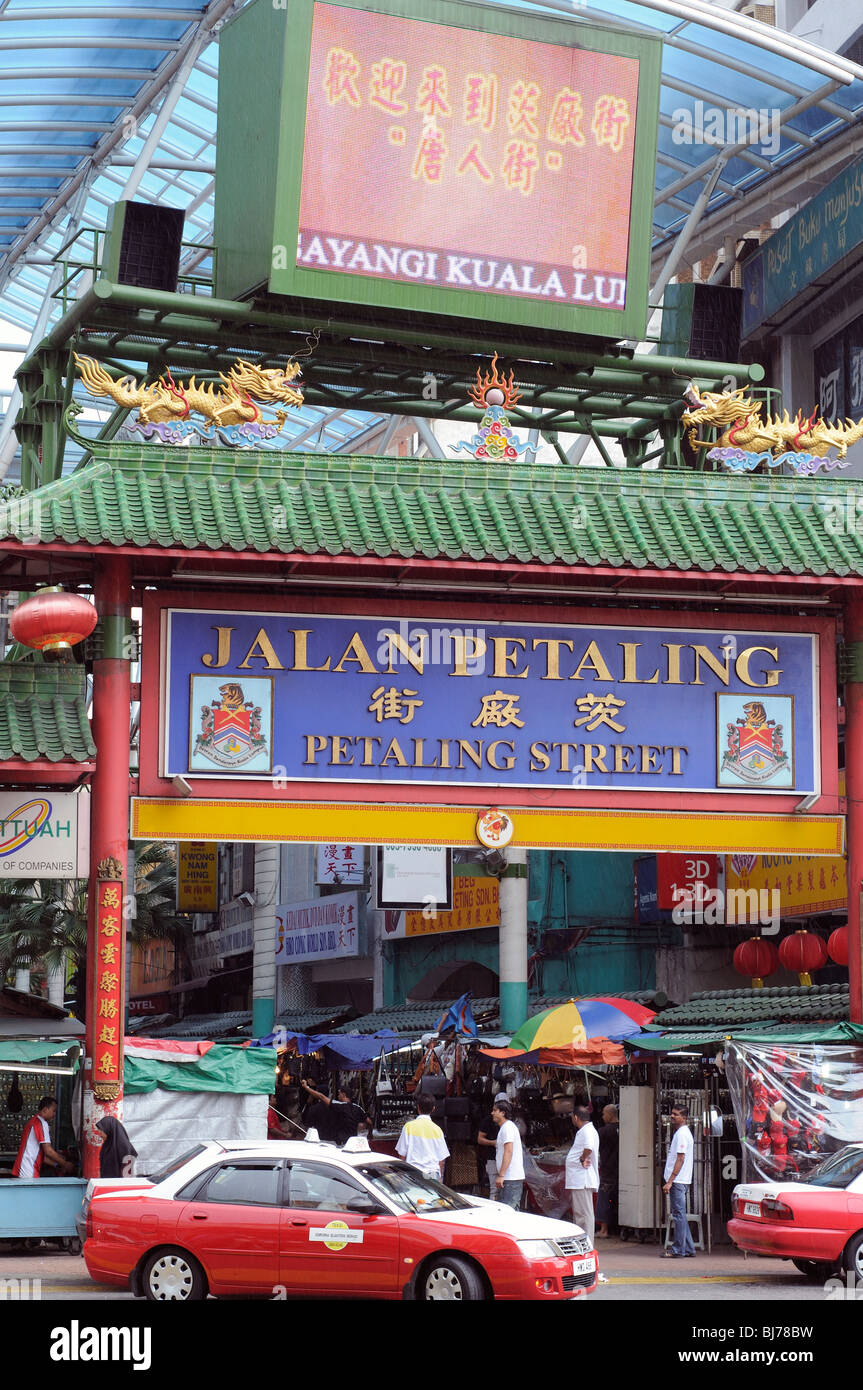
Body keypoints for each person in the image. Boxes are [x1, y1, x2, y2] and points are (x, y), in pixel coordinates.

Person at [663, 1103, 696, 1258]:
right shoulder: (682, 1133)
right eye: (672, 1113)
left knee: (679, 1215)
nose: (672, 1116)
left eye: (676, 1114)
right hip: (680, 1180)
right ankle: (688, 1248)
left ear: (684, 1117)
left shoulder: (682, 1134)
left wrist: (670, 1180)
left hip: (678, 1180)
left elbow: (680, 1158)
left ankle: (678, 1250)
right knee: (680, 1214)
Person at [13, 1096, 73, 1179]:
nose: (55, 1114)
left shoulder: (33, 1121)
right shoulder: (41, 1124)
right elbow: (48, 1151)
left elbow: (40, 1156)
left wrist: (57, 1164)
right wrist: (65, 1164)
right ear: (45, 1109)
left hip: (23, 1168)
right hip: (29, 1170)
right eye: (54, 1111)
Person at [565, 1105, 599, 1246]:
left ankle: (587, 1244)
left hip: (582, 1178)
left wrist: (582, 1158)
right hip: (578, 1179)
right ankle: (583, 1243)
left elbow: (588, 1147)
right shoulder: (586, 1131)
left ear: (576, 1117)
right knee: (580, 1214)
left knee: (584, 1214)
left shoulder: (587, 1131)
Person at [301, 1079, 371, 1145]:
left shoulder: (339, 1106)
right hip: (352, 1142)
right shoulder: (358, 1108)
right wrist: (370, 1134)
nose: (338, 1096)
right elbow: (369, 1122)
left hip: (341, 1142)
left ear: (343, 1095)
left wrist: (306, 1087)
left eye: (339, 1094)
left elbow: (322, 1097)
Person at [396, 1094, 450, 1179]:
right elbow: (441, 1160)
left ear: (417, 1107)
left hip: (413, 1173)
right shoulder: (437, 1130)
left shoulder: (409, 1127)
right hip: (432, 1174)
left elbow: (402, 1155)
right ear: (433, 1109)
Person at [491, 1099, 525, 1209]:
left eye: (495, 1110)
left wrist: (501, 1175)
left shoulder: (508, 1127)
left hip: (511, 1178)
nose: (492, 1113)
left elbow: (508, 1151)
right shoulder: (506, 1127)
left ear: (503, 1113)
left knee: (509, 1211)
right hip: (509, 1177)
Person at [476, 1091, 507, 1199]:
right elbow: (480, 1139)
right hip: (492, 1159)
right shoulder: (488, 1120)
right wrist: (493, 1143)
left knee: (505, 1189)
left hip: (505, 1161)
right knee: (495, 1190)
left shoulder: (508, 1124)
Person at [596, 1103, 619, 1238]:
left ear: (610, 1115)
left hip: (607, 1171)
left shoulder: (603, 1132)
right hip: (622, 1170)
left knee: (604, 1199)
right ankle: (616, 1226)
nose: (603, 1116)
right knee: (617, 1199)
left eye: (604, 1114)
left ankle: (604, 1230)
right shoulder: (624, 1129)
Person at [95, 1115, 137, 1179]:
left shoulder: (125, 1148)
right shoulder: (107, 1145)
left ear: (109, 1129)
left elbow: (127, 1175)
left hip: (119, 1185)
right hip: (106, 1183)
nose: (99, 1134)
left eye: (101, 1130)